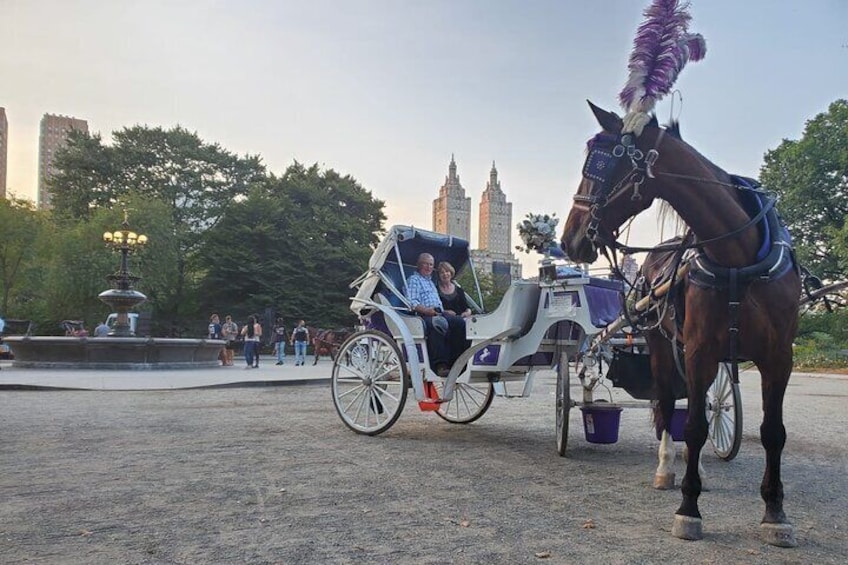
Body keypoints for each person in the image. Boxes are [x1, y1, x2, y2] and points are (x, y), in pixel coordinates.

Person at [405, 253, 465, 377]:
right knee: (436, 324)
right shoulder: (414, 280)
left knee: (460, 323)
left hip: (438, 313)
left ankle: (458, 360)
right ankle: (440, 365)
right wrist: (427, 311)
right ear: (419, 265)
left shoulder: (431, 282)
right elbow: (412, 302)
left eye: (431, 264)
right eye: (425, 264)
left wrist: (444, 311)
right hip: (422, 315)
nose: (428, 267)